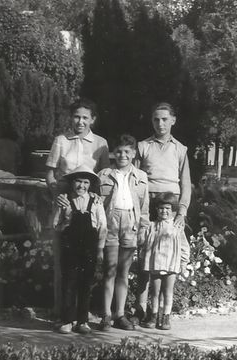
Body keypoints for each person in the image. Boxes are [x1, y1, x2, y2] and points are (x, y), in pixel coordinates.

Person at [45, 97, 109, 316]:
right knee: (63, 261)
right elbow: (50, 173)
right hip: (64, 204)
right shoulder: (61, 140)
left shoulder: (101, 143)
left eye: (85, 117)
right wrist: (57, 194)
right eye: (76, 116)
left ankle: (83, 312)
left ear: (93, 119)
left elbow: (103, 176)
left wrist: (97, 197)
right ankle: (60, 311)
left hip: (89, 207)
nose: (80, 121)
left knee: (86, 262)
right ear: (71, 118)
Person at [133, 102, 191, 325]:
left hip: (172, 205)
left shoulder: (180, 149)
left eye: (165, 119)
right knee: (146, 257)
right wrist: (140, 212)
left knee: (167, 257)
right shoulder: (143, 146)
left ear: (173, 120)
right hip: (149, 203)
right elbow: (135, 179)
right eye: (156, 119)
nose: (160, 124)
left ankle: (161, 313)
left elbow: (186, 184)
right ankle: (141, 309)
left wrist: (182, 212)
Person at [98, 134, 150, 331]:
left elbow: (144, 209)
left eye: (127, 151)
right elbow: (98, 205)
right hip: (110, 224)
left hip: (130, 224)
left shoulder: (141, 177)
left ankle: (120, 314)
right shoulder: (104, 175)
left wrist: (143, 230)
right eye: (118, 151)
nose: (122, 155)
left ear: (134, 153)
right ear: (113, 152)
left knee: (123, 273)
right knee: (109, 271)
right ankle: (105, 315)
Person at [55, 165, 107, 334]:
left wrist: (99, 250)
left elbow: (102, 227)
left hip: (89, 248)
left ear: (90, 185)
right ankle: (67, 320)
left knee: (86, 284)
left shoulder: (96, 201)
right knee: (69, 282)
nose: (81, 186)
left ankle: (82, 321)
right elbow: (55, 224)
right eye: (78, 181)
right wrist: (66, 225)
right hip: (71, 248)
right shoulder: (64, 200)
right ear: (72, 182)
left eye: (86, 182)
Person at [140, 192, 190, 330]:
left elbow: (185, 247)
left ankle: (166, 317)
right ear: (156, 209)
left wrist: (183, 263)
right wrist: (142, 261)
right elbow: (144, 246)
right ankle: (154, 316)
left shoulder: (177, 228)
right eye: (161, 208)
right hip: (155, 264)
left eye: (168, 209)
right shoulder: (152, 226)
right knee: (155, 292)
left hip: (171, 264)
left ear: (173, 211)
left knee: (168, 292)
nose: (164, 211)